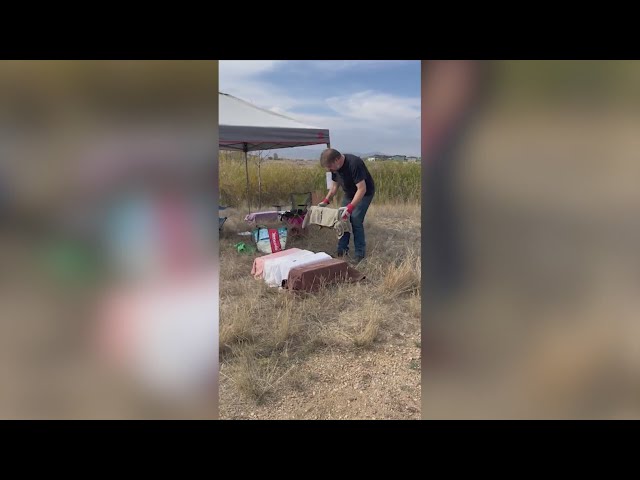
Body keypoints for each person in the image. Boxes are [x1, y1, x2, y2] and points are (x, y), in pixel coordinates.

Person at [318, 148, 375, 263]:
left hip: (364, 193)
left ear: (337, 159)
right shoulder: (334, 169)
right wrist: (325, 201)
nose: (329, 169)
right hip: (349, 193)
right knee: (342, 218)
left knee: (355, 219)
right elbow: (334, 187)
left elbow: (362, 189)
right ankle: (342, 250)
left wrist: (350, 208)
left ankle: (360, 253)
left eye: (330, 166)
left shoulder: (354, 163)